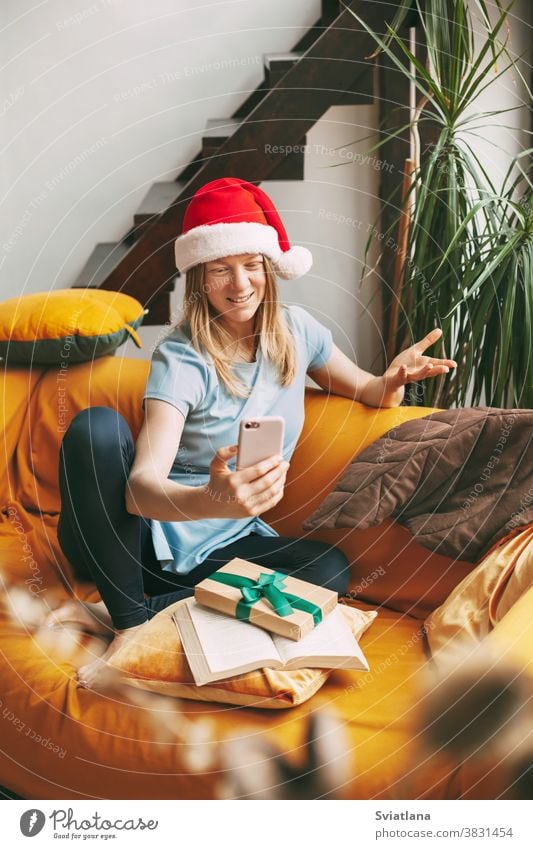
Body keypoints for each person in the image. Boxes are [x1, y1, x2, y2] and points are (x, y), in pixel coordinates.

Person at [45, 177, 457, 688]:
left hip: (218, 553)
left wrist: (393, 379)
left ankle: (127, 610)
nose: (239, 284)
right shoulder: (182, 358)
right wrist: (212, 500)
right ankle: (131, 627)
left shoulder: (299, 332)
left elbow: (371, 391)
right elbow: (138, 488)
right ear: (199, 277)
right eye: (221, 269)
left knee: (329, 571)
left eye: (251, 265)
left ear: (270, 268)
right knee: (96, 428)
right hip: (130, 544)